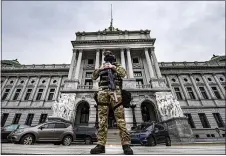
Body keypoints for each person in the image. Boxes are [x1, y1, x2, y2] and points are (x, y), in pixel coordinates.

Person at [90, 50, 133, 155]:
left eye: (110, 58)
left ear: (113, 59)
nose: (108, 60)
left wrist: (114, 67)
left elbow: (123, 74)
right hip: (102, 93)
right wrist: (100, 68)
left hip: (116, 92)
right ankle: (100, 144)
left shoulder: (117, 66)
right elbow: (93, 77)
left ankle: (126, 144)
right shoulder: (102, 67)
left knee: (120, 119)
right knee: (102, 120)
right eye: (107, 58)